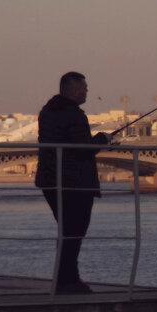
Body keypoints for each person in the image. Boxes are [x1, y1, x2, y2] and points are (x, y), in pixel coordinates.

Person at [35, 71, 109, 293]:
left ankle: (64, 278)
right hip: (74, 182)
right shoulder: (75, 115)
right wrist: (103, 140)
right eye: (84, 88)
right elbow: (82, 150)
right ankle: (68, 280)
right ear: (75, 90)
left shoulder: (47, 112)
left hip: (50, 179)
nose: (87, 91)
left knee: (66, 231)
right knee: (75, 231)